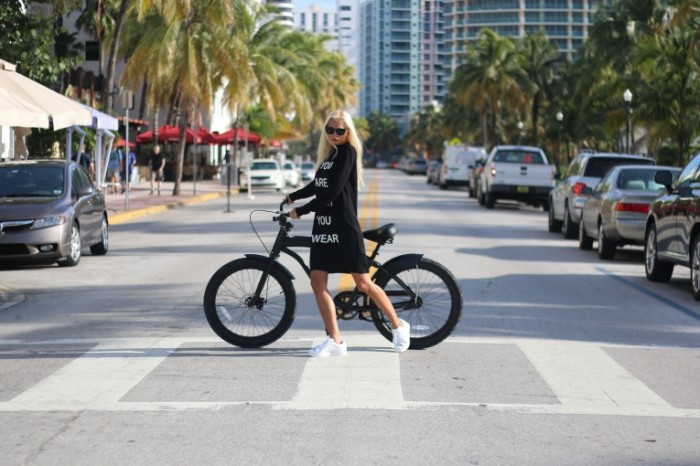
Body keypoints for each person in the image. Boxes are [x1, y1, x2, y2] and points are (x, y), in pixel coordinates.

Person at [285, 110, 410, 357]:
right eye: (330, 129)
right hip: (323, 227)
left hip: (343, 228)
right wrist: (293, 196)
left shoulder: (348, 154)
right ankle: (336, 341)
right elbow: (317, 186)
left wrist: (302, 210)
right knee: (317, 282)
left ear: (348, 132)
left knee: (363, 284)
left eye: (339, 130)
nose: (334, 134)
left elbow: (331, 192)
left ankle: (398, 327)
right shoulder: (329, 156)